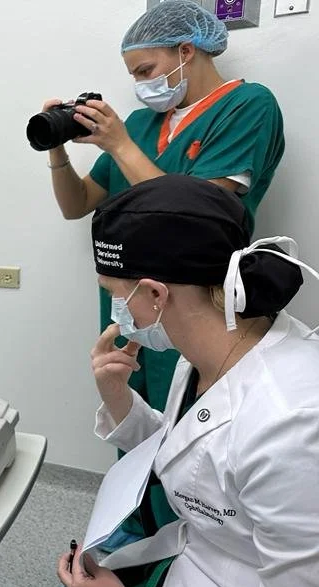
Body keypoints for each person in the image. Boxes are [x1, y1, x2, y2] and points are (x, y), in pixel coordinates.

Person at [0, 175, 319, 587]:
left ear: (156, 296)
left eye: (118, 293)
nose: (117, 310)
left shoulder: (293, 426)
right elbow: (197, 454)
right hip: (191, 570)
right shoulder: (219, 347)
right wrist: (119, 399)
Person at [42, 0, 285, 541]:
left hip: (196, 300)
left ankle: (189, 541)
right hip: (130, 291)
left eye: (146, 71)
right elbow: (77, 203)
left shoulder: (249, 107)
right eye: (133, 76)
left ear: (185, 51)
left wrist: (120, 143)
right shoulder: (144, 123)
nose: (140, 86)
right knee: (132, 404)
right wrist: (58, 153)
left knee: (192, 422)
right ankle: (128, 525)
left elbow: (197, 214)